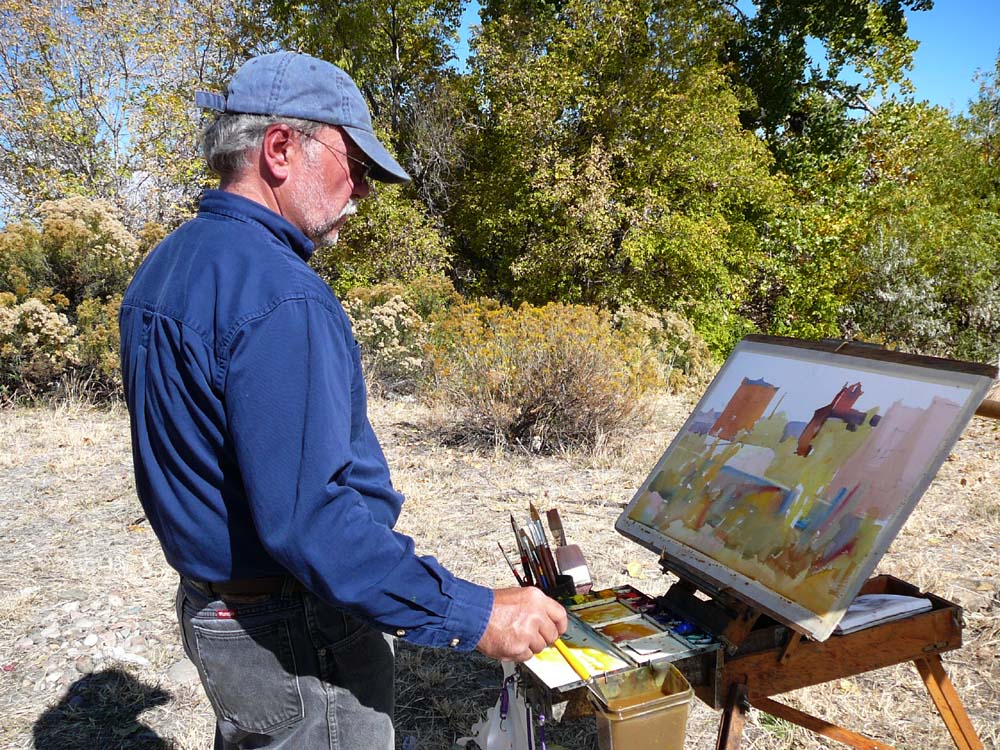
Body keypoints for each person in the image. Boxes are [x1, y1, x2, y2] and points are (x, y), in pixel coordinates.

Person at [118, 51, 567, 750]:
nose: (361, 191)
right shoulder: (281, 296)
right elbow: (313, 524)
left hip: (218, 613)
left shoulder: (169, 262)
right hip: (296, 632)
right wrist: (474, 613)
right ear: (279, 149)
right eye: (354, 164)